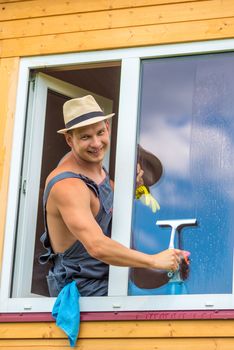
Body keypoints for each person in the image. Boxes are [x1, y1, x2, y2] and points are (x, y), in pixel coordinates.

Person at [39, 95, 184, 297]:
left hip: (111, 285)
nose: (96, 143)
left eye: (100, 132)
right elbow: (97, 246)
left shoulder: (98, 173)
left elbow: (105, 201)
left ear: (107, 127)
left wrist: (133, 190)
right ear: (69, 139)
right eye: (85, 137)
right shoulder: (68, 185)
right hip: (84, 296)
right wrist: (154, 260)